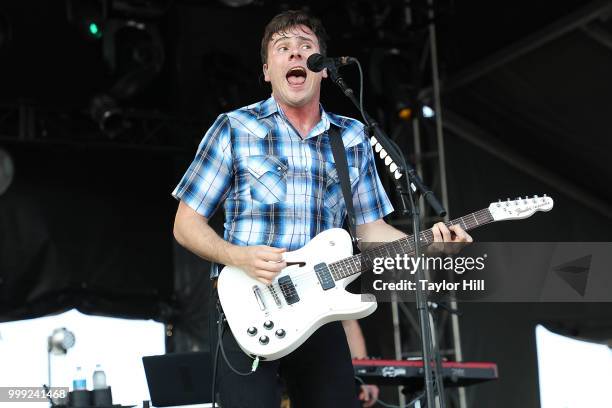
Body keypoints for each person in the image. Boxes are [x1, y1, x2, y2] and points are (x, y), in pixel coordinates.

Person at [172, 9, 472, 408]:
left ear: (323, 70)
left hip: (321, 311)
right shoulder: (234, 128)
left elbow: (370, 231)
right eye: (283, 49)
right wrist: (237, 256)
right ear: (267, 71)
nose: (296, 56)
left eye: (306, 48)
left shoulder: (349, 137)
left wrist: (429, 244)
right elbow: (186, 224)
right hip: (249, 308)